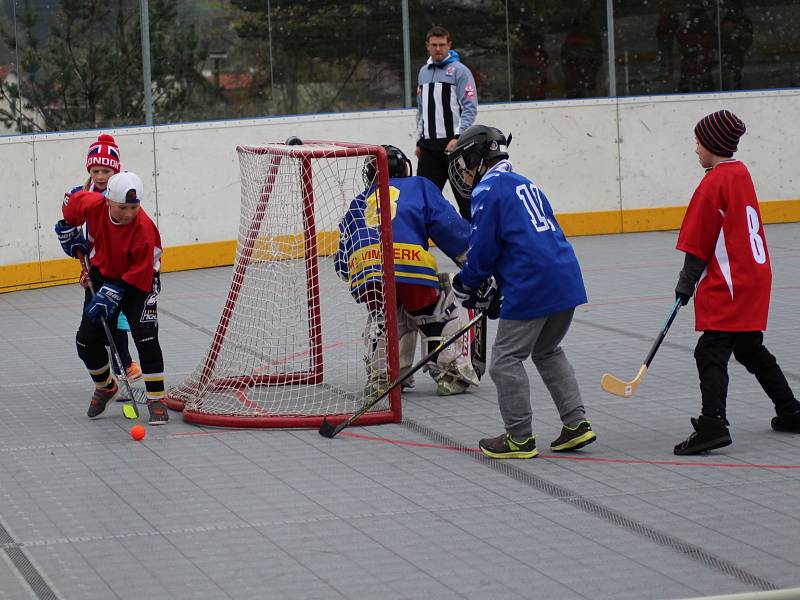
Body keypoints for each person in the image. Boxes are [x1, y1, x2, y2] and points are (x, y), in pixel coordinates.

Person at [448, 125, 596, 459]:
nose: (464, 174)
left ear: (477, 158)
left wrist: (467, 283)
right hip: (565, 277)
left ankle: (519, 437)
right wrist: (501, 284)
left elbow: (483, 250)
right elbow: (526, 239)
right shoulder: (525, 183)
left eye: (464, 164)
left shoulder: (488, 189)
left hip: (533, 283)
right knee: (547, 350)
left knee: (504, 361)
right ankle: (576, 424)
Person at [672, 110, 800, 455]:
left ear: (712, 144)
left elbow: (700, 239)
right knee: (748, 347)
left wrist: (686, 283)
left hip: (733, 281)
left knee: (710, 350)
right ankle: (791, 411)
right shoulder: (739, 173)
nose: (695, 148)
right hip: (755, 275)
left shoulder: (713, 183)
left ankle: (713, 423)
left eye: (698, 141)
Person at [335, 145, 479, 396]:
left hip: (367, 270)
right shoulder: (420, 185)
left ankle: (384, 376)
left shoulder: (360, 200)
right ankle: (450, 372)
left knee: (384, 312)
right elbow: (451, 229)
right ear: (404, 169)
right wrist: (472, 260)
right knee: (438, 309)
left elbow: (342, 263)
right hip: (411, 265)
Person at [55, 171, 169, 425]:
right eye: (122, 208)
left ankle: (156, 398)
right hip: (102, 274)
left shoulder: (144, 228)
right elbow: (71, 207)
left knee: (146, 336)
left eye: (133, 207)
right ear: (108, 201)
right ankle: (106, 386)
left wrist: (114, 292)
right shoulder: (92, 204)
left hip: (139, 282)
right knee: (85, 341)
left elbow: (142, 269)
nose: (129, 213)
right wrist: (67, 231)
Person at [70, 133, 142, 384]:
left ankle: (125, 366)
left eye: (106, 171)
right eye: (96, 170)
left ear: (116, 172)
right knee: (98, 324)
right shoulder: (83, 193)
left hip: (119, 269)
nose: (100, 176)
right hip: (96, 268)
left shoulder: (119, 197)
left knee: (117, 320)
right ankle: (117, 370)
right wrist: (74, 242)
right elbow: (77, 226)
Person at [415, 26, 478, 221]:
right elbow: (421, 110)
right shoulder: (423, 72)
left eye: (442, 45)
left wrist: (458, 137)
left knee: (466, 202)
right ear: (427, 46)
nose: (438, 49)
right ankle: (419, 249)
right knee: (422, 203)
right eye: (434, 45)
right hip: (429, 149)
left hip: (455, 148)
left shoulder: (460, 72)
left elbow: (470, 108)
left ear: (449, 45)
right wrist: (419, 140)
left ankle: (477, 248)